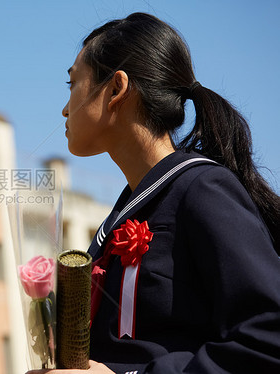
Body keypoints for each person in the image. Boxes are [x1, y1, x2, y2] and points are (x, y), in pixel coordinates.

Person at [29, 12, 280, 374]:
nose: (65, 108)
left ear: (116, 89)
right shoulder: (122, 216)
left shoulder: (202, 189)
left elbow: (268, 336)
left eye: (72, 84)